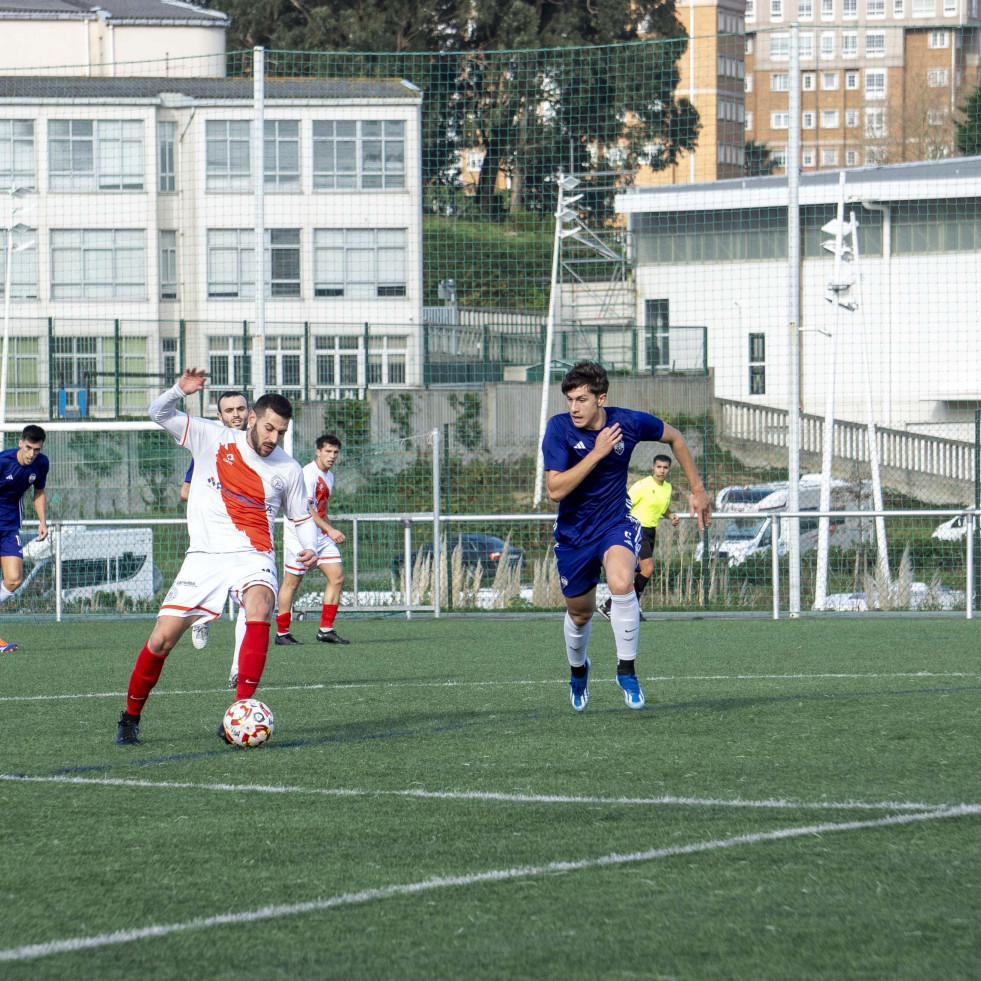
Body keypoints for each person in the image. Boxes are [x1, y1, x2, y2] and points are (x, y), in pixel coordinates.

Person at [115, 368, 318, 746]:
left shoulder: (288, 469)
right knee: (161, 640)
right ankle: (129, 718)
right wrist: (179, 389)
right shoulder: (211, 436)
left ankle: (240, 714)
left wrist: (308, 546)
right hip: (203, 558)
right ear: (253, 419)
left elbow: (301, 517)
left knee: (259, 606)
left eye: (281, 433)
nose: (274, 438)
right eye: (269, 429)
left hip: (253, 555)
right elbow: (156, 413)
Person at [542, 361, 711, 712]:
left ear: (601, 398)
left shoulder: (628, 422)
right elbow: (555, 490)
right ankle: (578, 670)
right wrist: (598, 452)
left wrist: (697, 488)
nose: (573, 407)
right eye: (570, 399)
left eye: (582, 399)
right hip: (574, 535)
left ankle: (627, 671)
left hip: (614, 524)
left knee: (622, 583)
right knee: (580, 614)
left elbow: (675, 437)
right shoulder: (558, 429)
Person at [179, 391, 250, 659]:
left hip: (244, 536)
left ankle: (238, 669)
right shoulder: (208, 448)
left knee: (251, 601)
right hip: (210, 537)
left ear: (249, 412)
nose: (236, 415)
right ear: (219, 416)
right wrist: (224, 494)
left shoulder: (258, 447)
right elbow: (185, 492)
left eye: (240, 409)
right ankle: (202, 618)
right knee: (199, 596)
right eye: (229, 410)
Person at [275, 434, 350, 645]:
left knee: (337, 577)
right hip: (299, 534)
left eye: (335, 452)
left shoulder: (329, 476)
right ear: (318, 452)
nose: (332, 456)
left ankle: (325, 630)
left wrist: (329, 530)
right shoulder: (308, 474)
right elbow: (307, 510)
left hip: (320, 534)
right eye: (328, 451)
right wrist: (331, 530)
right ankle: (282, 633)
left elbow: (320, 509)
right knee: (292, 582)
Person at [598, 453, 679, 622]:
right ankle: (626, 607)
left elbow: (661, 508)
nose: (662, 471)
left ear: (669, 469)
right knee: (647, 568)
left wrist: (671, 515)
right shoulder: (642, 486)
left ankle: (611, 606)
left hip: (650, 531)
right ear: (653, 468)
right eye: (659, 467)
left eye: (665, 467)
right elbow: (624, 504)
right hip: (636, 530)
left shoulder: (668, 488)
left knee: (635, 572)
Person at [0, 424, 49, 652]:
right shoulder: (3, 461)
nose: (32, 454)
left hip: (9, 528)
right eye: (28, 447)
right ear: (20, 443)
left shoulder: (41, 464)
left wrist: (42, 521)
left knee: (13, 580)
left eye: (36, 450)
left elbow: (38, 492)